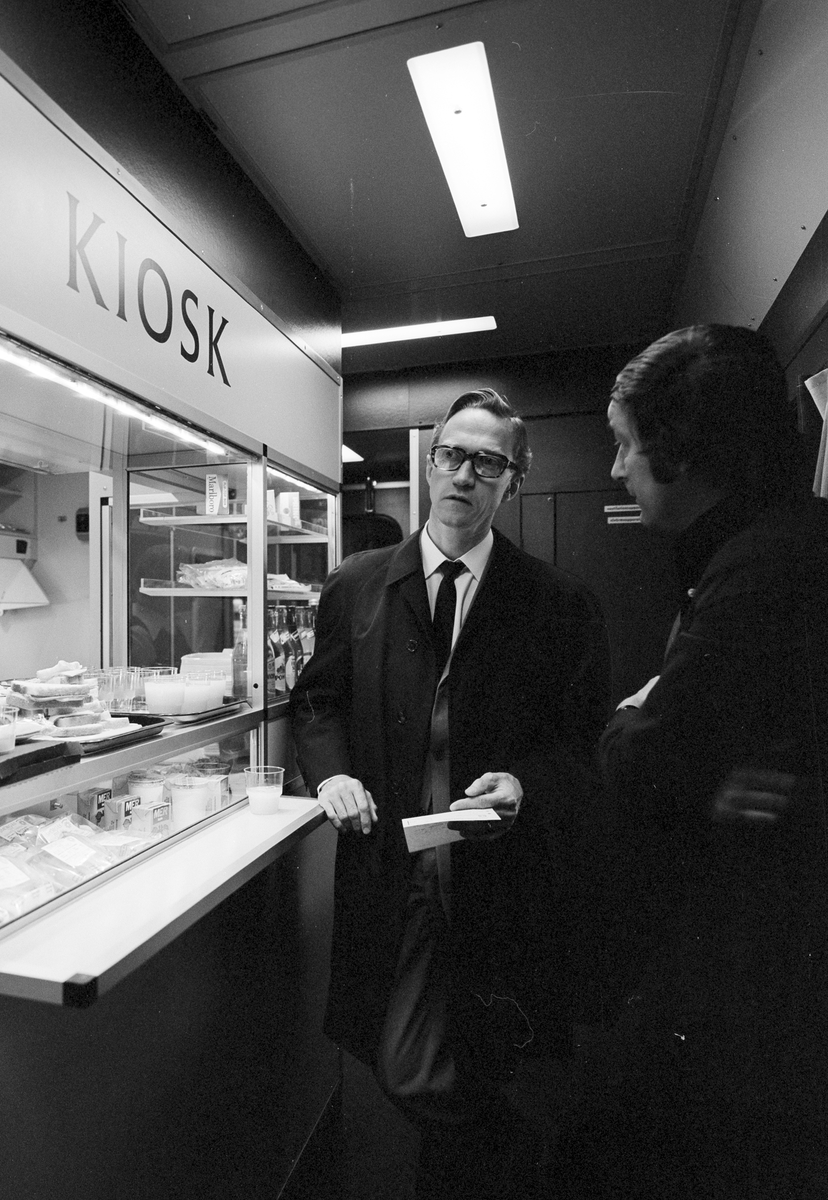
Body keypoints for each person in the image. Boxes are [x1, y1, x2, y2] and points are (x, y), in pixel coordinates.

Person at [290, 389, 609, 1199]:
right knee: (399, 1057)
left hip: (493, 867)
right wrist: (332, 773)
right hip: (388, 861)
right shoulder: (357, 585)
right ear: (429, 464)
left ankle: (483, 1171)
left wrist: (524, 783)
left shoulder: (557, 604)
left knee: (480, 1046)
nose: (464, 475)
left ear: (515, 480)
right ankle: (518, 1160)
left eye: (487, 463)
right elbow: (317, 700)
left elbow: (580, 744)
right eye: (451, 456)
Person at [553, 326, 828, 1198]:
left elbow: (643, 759)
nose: (615, 469)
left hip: (744, 978)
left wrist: (631, 720)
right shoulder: (766, 547)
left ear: (682, 451)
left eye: (625, 444)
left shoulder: (755, 570)